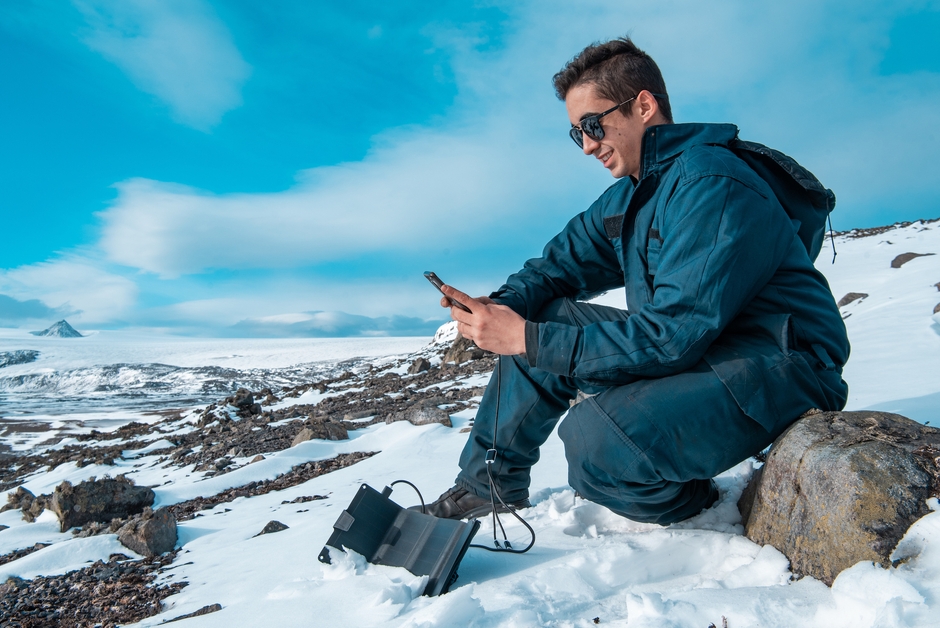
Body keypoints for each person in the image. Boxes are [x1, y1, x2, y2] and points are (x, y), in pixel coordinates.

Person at [424, 37, 850, 524]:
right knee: (539, 319)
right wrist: (499, 309)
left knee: (598, 442)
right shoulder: (633, 194)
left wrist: (525, 337)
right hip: (705, 353)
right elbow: (557, 267)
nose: (587, 145)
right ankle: (486, 487)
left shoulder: (712, 184)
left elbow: (674, 335)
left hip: (780, 364)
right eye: (576, 133)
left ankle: (709, 511)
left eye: (592, 125)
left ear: (643, 105)